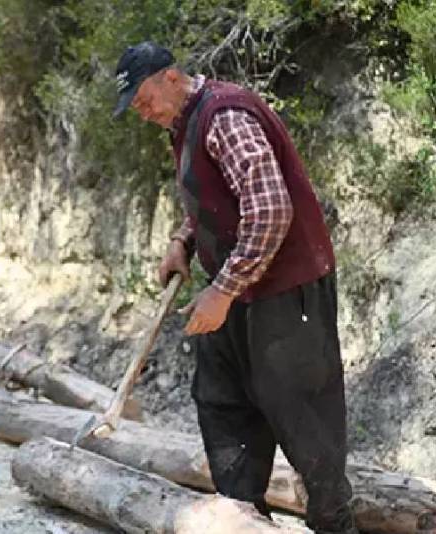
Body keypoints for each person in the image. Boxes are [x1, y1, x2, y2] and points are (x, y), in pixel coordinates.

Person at [111, 42, 356, 533]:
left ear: (171, 78)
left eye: (144, 100)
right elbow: (220, 195)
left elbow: (270, 211)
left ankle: (335, 525)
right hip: (240, 286)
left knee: (302, 415)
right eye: (135, 107)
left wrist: (221, 291)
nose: (143, 113)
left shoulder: (225, 116)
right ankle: (243, 521)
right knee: (223, 402)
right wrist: (183, 241)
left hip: (286, 290)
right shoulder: (185, 123)